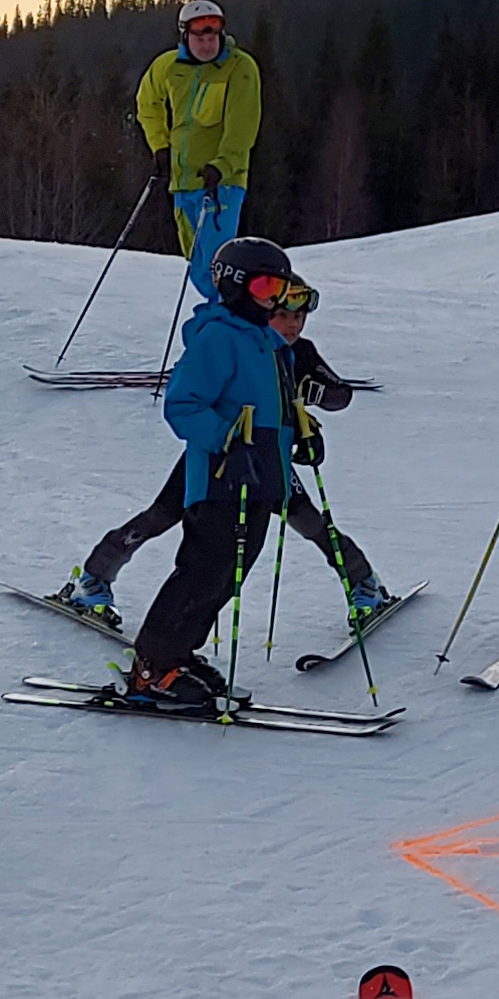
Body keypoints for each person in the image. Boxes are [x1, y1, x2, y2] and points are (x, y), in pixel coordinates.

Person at [58, 264, 392, 632]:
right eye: (283, 315)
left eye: (299, 317)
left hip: (269, 459)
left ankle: (364, 584)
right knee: (161, 516)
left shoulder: (300, 352)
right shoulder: (241, 344)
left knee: (311, 522)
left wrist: (314, 403)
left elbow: (340, 393)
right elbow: (197, 399)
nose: (292, 325)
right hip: (216, 456)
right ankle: (94, 578)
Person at [121, 235, 309, 707]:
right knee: (203, 570)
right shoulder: (218, 337)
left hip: (261, 474)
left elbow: (269, 405)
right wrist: (226, 439)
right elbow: (183, 405)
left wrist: (301, 430)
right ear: (235, 285)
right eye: (265, 288)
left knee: (231, 573)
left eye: (281, 290)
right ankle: (152, 666)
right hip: (221, 477)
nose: (274, 301)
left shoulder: (268, 342)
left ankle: (179, 653)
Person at [135, 0, 263, 289]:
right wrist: (160, 146)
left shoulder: (239, 67)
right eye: (199, 39)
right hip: (182, 184)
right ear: (184, 36)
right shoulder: (168, 66)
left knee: (218, 265)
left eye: (212, 38)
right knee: (196, 264)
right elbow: (147, 103)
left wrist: (222, 165)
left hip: (222, 184)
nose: (207, 45)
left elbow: (242, 126)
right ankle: (219, 313)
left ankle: (226, 314)